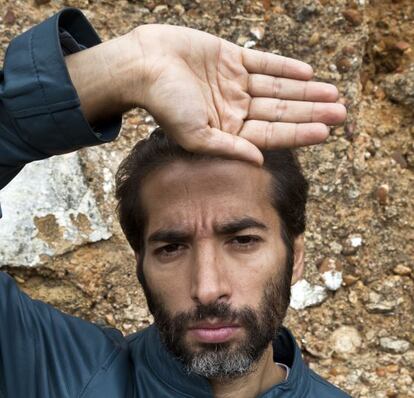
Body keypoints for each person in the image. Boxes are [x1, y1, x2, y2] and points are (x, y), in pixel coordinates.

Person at [0, 7, 348, 398]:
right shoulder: (59, 376)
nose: (207, 288)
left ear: (295, 257)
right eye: (171, 247)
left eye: (243, 240)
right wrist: (127, 68)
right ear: (140, 266)